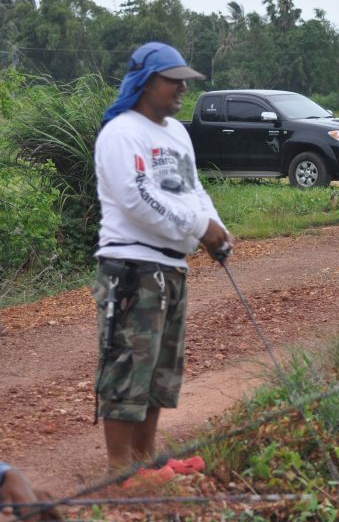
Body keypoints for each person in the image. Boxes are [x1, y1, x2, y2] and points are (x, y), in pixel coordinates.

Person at [93, 42, 232, 472]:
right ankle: (120, 470)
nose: (182, 89)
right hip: (131, 267)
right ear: (147, 81)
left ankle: (145, 462)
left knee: (158, 370)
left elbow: (193, 189)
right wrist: (198, 228)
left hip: (172, 266)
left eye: (184, 81)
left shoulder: (176, 132)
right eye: (174, 80)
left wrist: (217, 228)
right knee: (127, 366)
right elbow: (137, 198)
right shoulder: (121, 132)